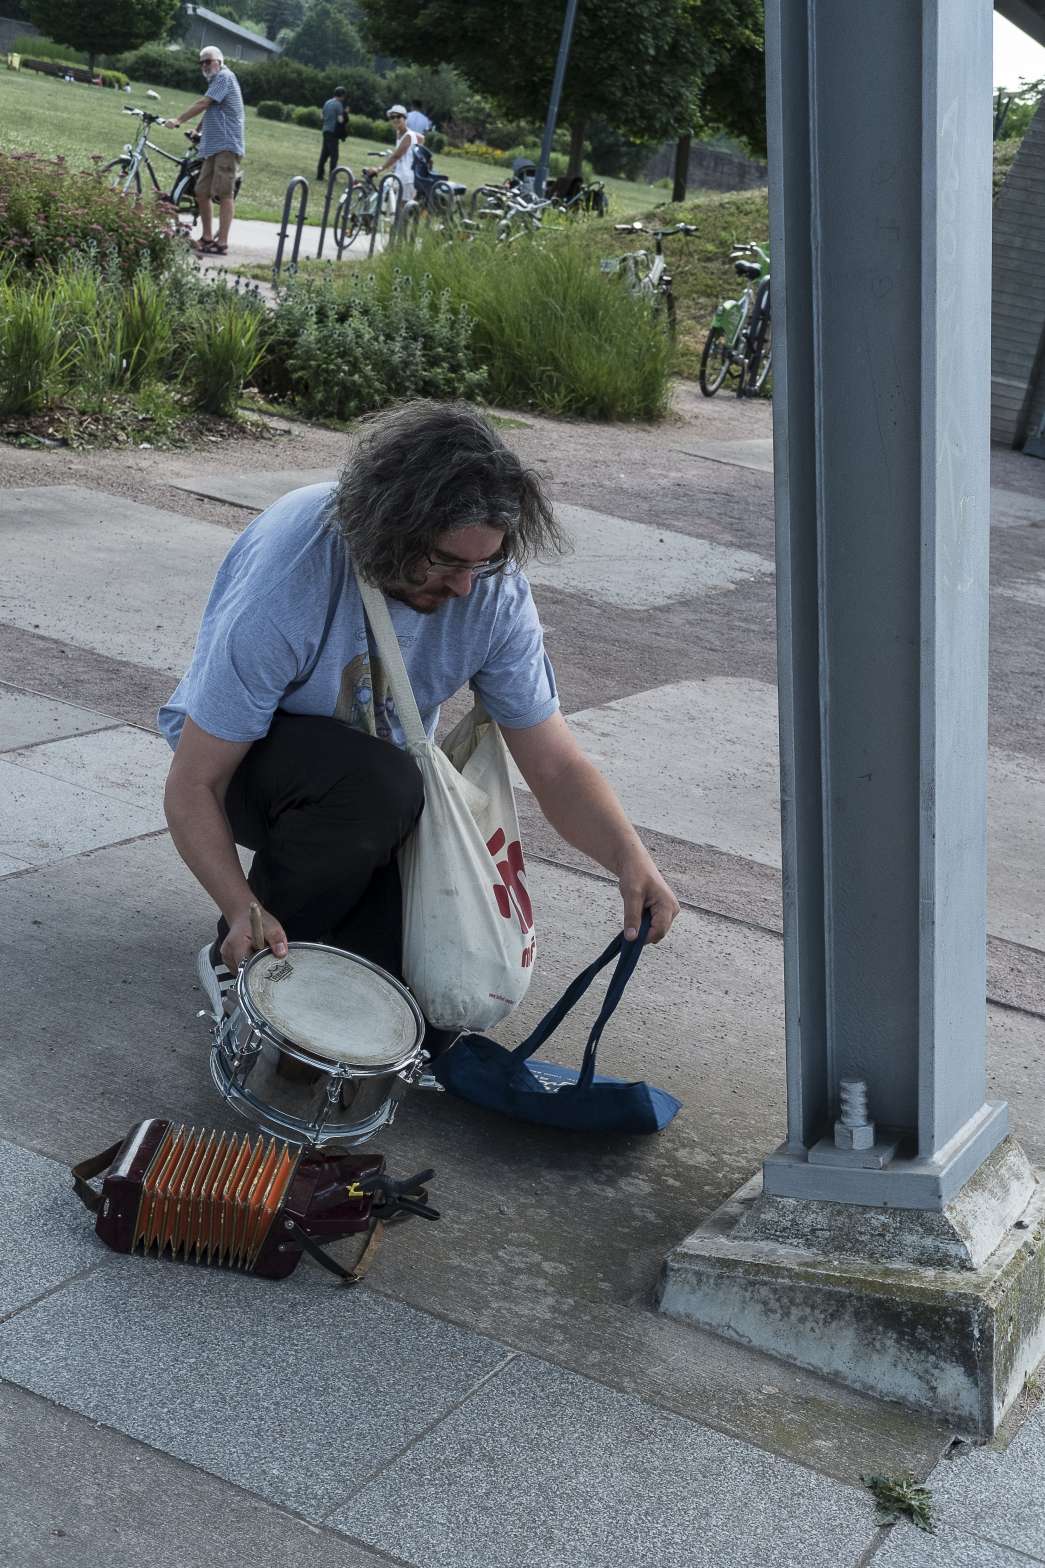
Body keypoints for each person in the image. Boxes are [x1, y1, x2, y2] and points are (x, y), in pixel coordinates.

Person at [159, 402, 679, 1036]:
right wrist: (239, 904)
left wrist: (629, 858)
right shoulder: (293, 573)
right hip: (256, 770)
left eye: (480, 563)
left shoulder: (491, 588)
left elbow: (555, 763)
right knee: (376, 784)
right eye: (447, 562)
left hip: (379, 794)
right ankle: (241, 959)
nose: (465, 587)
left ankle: (328, 930)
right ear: (386, 527)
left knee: (433, 1009)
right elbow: (194, 784)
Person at [162, 46, 244, 257]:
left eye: (208, 61)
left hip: (226, 145)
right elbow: (212, 109)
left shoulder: (225, 76)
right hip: (211, 146)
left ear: (220, 61)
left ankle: (222, 242)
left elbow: (204, 103)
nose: (205, 66)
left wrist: (179, 120)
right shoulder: (216, 81)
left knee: (225, 193)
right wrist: (197, 130)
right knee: (201, 191)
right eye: (202, 62)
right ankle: (207, 237)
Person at [364, 103, 422, 206]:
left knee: (402, 207)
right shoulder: (399, 132)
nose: (395, 119)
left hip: (407, 177)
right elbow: (422, 138)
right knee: (385, 192)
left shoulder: (408, 135)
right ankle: (373, 215)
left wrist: (379, 169)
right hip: (398, 173)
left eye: (398, 116)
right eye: (392, 117)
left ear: (404, 118)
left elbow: (396, 156)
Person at [317, 85, 347, 183]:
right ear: (342, 95)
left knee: (324, 154)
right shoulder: (338, 104)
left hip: (325, 130)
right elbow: (340, 120)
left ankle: (319, 175)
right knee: (334, 156)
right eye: (344, 95)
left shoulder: (327, 102)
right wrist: (345, 114)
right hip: (333, 132)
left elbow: (321, 116)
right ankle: (332, 177)